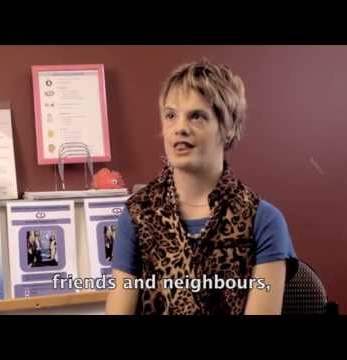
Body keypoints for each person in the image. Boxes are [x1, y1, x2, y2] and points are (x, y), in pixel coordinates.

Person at [106, 59, 298, 315]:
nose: (180, 128)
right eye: (171, 115)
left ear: (228, 128)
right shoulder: (137, 216)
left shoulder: (262, 221)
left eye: (197, 116)